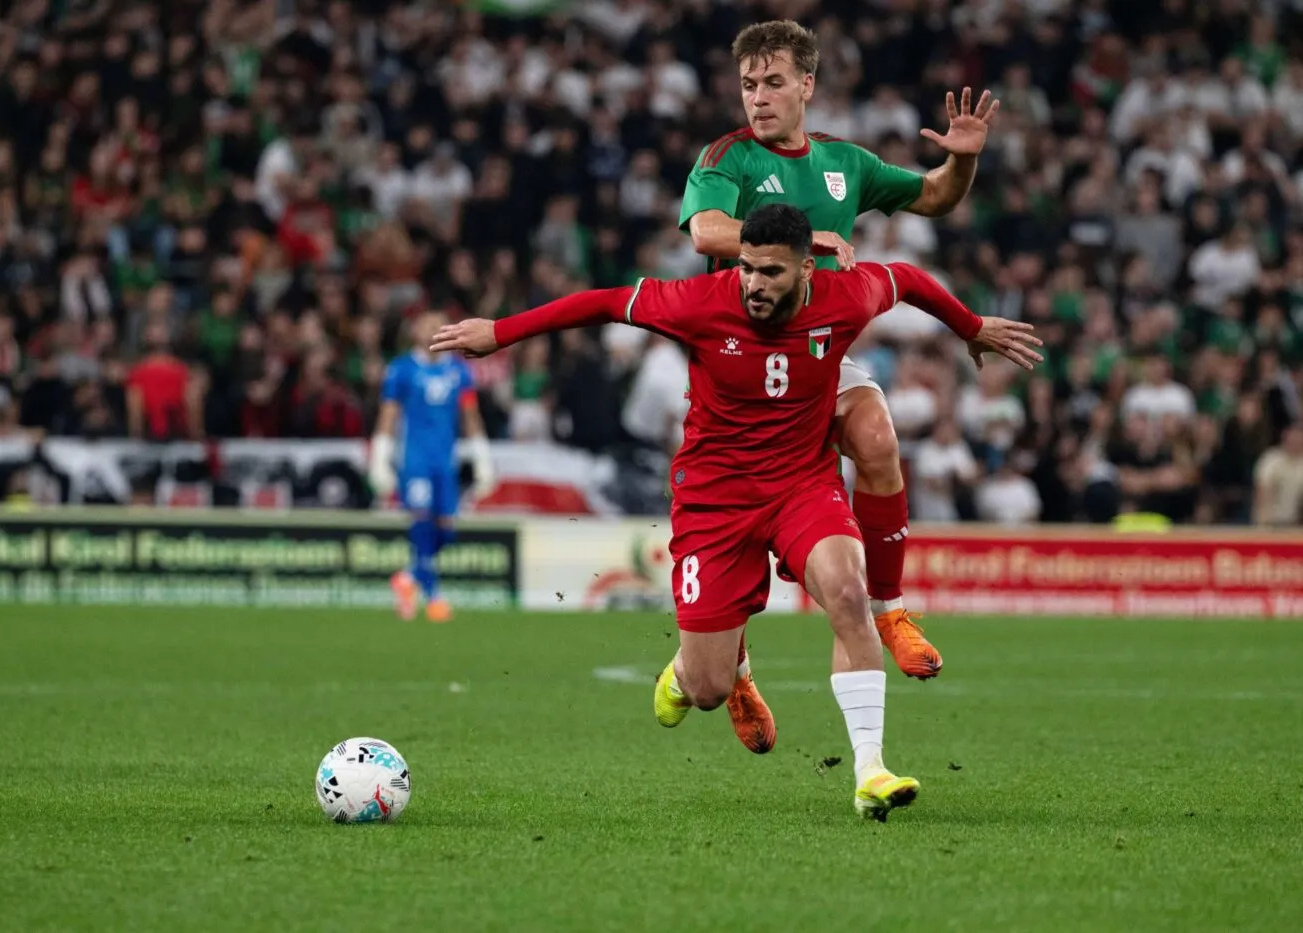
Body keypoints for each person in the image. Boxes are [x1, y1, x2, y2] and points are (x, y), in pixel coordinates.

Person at [430, 205, 1040, 819]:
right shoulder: (699, 301)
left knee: (847, 593)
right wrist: (500, 332)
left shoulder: (845, 296)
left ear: (807, 268)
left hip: (802, 485)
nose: (753, 284)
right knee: (705, 688)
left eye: (770, 272)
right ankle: (718, 668)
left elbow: (906, 278)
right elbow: (602, 302)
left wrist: (969, 325)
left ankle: (869, 769)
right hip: (714, 502)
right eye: (747, 268)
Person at [680, 20, 1000, 682]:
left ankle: (891, 610)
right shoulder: (727, 158)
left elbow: (936, 195)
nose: (758, 97)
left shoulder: (844, 164)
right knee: (729, 558)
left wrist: (963, 158)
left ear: (807, 85)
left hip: (817, 356)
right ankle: (726, 665)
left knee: (879, 436)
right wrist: (800, 239)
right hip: (739, 366)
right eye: (747, 85)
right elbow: (707, 233)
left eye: (772, 82)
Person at [371, 310, 495, 623]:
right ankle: (435, 597)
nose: (432, 331)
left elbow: (470, 416)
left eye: (438, 326)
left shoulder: (459, 372)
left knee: (446, 532)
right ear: (414, 332)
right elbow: (389, 414)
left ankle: (408, 579)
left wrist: (482, 457)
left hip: (445, 461)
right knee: (422, 523)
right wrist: (380, 456)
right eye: (426, 326)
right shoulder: (401, 370)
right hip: (415, 460)